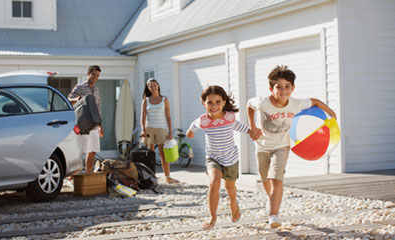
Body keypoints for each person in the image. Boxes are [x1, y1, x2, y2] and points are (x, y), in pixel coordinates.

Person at [247, 65, 337, 228]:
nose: (283, 91)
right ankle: (270, 199)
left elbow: (315, 101)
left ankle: (273, 215)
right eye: (279, 87)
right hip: (262, 146)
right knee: (265, 178)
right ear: (271, 88)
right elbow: (249, 105)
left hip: (282, 146)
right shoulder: (262, 102)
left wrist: (332, 113)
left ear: (293, 88)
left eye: (287, 86)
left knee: (276, 178)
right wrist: (252, 127)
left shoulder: (296, 103)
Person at [186, 85, 250, 229]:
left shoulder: (229, 117)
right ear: (204, 104)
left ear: (223, 102)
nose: (214, 106)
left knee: (230, 187)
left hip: (231, 158)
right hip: (213, 157)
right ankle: (212, 218)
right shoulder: (204, 121)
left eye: (217, 102)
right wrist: (190, 132)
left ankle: (233, 203)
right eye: (209, 102)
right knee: (214, 182)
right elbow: (193, 125)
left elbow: (239, 126)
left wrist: (251, 132)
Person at [140, 78, 179, 184]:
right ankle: (151, 176)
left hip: (161, 129)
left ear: (158, 85)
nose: (152, 87)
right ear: (148, 88)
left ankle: (168, 177)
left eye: (154, 85)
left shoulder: (164, 99)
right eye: (150, 86)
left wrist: (170, 132)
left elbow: (168, 116)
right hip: (149, 130)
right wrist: (143, 129)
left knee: (163, 154)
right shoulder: (146, 100)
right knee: (150, 154)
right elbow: (143, 117)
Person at [68, 65, 104, 174]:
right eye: (93, 74)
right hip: (83, 125)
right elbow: (68, 99)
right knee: (81, 151)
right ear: (88, 74)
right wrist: (76, 99)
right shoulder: (80, 87)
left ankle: (88, 174)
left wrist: (100, 126)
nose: (95, 77)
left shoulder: (97, 90)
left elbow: (98, 108)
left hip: (94, 125)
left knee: (92, 151)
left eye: (97, 75)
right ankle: (72, 176)